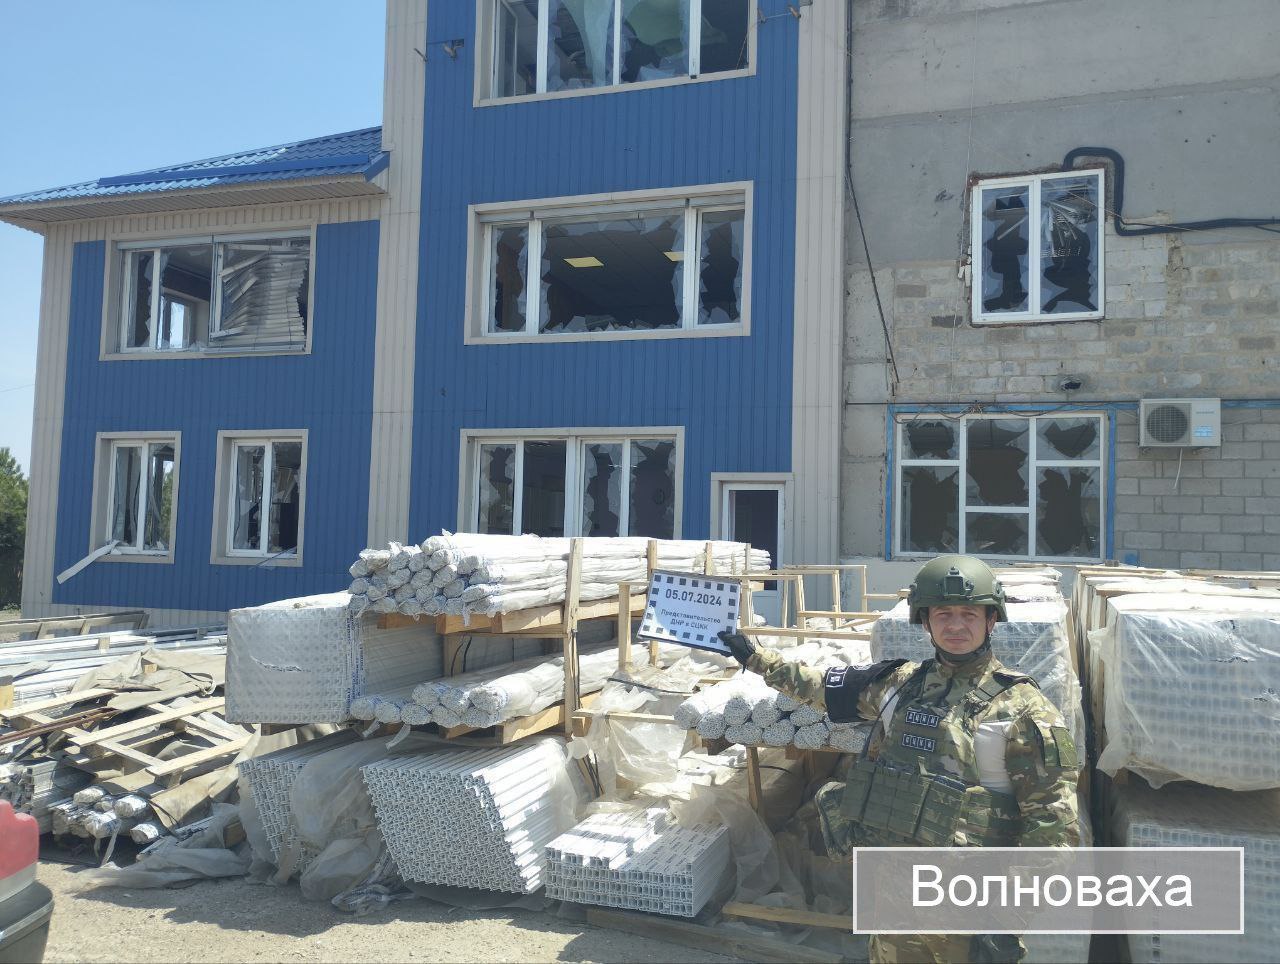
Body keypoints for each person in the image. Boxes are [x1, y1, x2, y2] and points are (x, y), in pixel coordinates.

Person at [718, 554, 1080, 964]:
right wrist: (754, 658)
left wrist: (1009, 912)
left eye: (969, 614)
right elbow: (819, 687)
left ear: (991, 620)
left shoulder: (1024, 710)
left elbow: (1054, 826)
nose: (956, 626)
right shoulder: (898, 685)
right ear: (925, 622)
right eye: (943, 614)